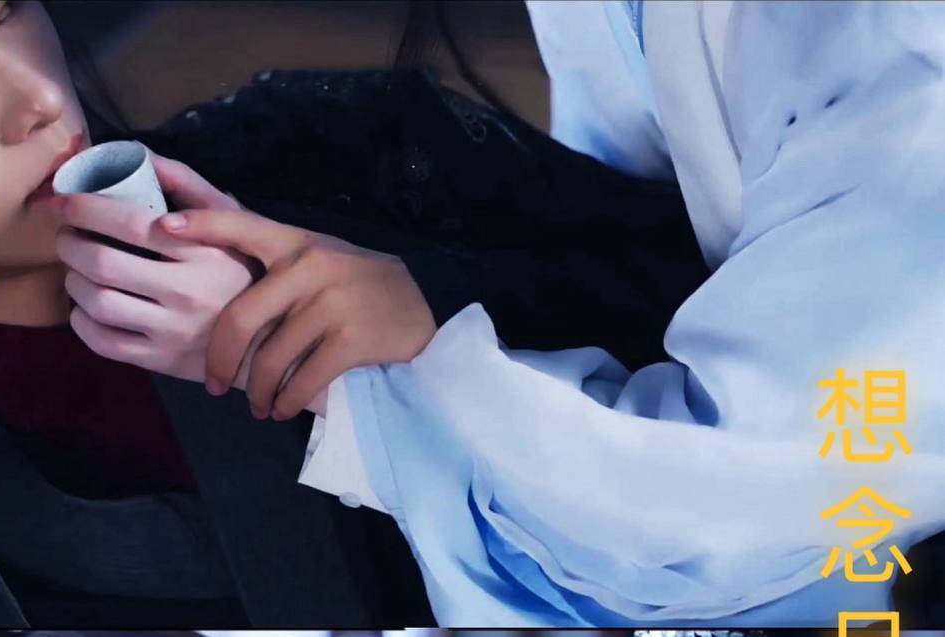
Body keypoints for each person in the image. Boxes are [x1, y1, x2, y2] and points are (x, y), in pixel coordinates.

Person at [0, 0, 711, 627]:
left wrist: (427, 306)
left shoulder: (332, 154)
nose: (38, 99)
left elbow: (716, 323)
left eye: (10, 9)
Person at [77, 0, 945, 628]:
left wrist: (400, 361)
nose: (34, 106)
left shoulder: (885, 47)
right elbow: (640, 228)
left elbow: (763, 496)